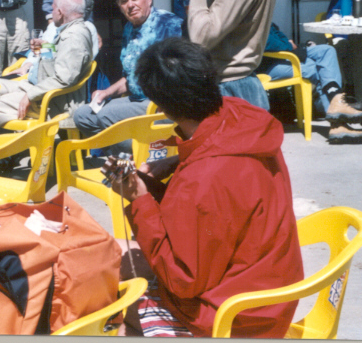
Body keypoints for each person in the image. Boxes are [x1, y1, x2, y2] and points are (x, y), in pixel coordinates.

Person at [111, 37, 303, 338]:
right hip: (272, 293)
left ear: (162, 107)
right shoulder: (243, 116)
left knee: (118, 305)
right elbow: (220, 192)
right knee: (118, 254)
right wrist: (180, 159)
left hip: (237, 318)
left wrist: (139, 200)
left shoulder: (202, 179)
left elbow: (182, 280)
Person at [73, 0, 182, 144]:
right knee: (83, 116)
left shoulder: (167, 24)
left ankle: (145, 154)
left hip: (161, 105)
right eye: (124, 1)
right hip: (137, 100)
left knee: (106, 116)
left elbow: (181, 72)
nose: (130, 5)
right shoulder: (129, 29)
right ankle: (134, 152)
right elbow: (130, 77)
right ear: (119, 5)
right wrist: (106, 92)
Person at [0, 0, 93, 138]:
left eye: (53, 9)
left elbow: (64, 78)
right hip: (36, 85)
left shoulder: (73, 37)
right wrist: (46, 46)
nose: (51, 13)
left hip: (50, 102)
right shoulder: (72, 31)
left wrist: (30, 96)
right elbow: (65, 56)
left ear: (60, 12)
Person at [258, 22, 362, 141]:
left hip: (283, 56)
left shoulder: (265, 16)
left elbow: (278, 34)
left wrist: (287, 44)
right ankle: (338, 124)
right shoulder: (251, 18)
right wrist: (288, 44)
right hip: (267, 65)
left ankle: (336, 105)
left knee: (327, 50)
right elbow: (265, 42)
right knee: (319, 69)